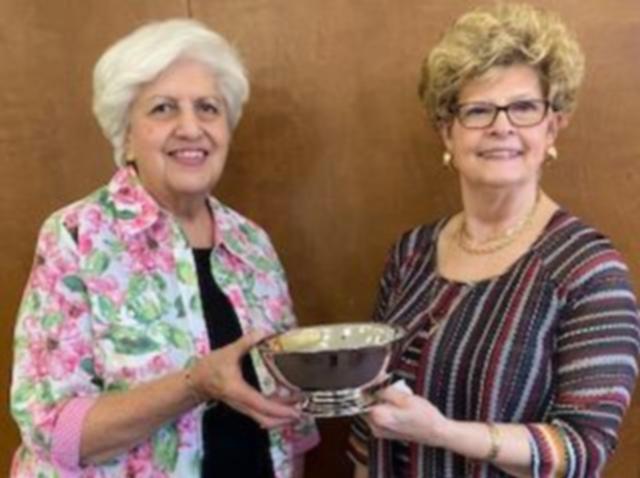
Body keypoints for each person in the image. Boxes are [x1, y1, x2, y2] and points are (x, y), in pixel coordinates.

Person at [10, 18, 318, 478]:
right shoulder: (76, 236)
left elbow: (293, 423)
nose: (191, 128)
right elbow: (53, 433)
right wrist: (194, 384)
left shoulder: (252, 244)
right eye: (163, 109)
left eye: (208, 108)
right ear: (126, 134)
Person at [349, 3, 639, 477]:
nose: (501, 126)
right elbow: (369, 415)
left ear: (553, 126)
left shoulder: (588, 270)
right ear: (448, 132)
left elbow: (583, 450)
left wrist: (442, 432)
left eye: (524, 107)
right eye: (478, 110)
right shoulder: (411, 254)